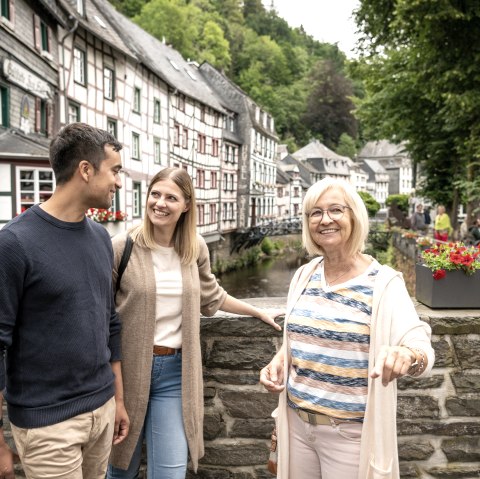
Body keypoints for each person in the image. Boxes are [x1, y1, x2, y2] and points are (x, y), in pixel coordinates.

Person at [107, 167, 282, 479]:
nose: (160, 203)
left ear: (186, 205)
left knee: (171, 472)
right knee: (121, 468)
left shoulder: (194, 247)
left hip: (175, 374)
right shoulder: (123, 246)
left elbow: (212, 296)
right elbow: (101, 311)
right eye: (155, 194)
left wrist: (256, 312)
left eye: (171, 197)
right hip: (127, 371)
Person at [259, 177, 434, 479]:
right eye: (315, 212)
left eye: (335, 210)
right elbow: (300, 337)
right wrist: (280, 360)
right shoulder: (304, 274)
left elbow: (420, 345)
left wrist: (408, 356)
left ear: (354, 216)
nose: (325, 219)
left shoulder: (383, 282)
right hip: (297, 427)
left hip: (350, 436)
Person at [0, 123, 129, 479]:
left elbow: (110, 323)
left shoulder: (102, 238)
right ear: (85, 170)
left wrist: (117, 401)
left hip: (101, 411)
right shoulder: (14, 244)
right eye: (114, 171)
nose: (118, 182)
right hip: (49, 425)